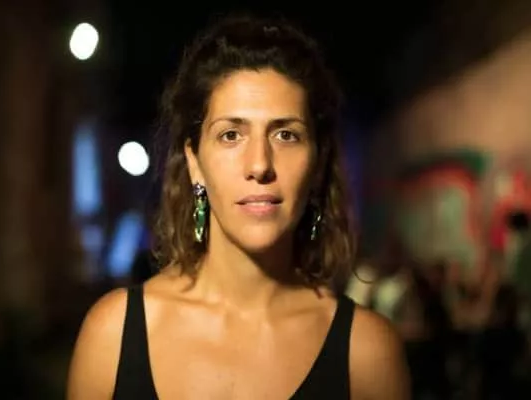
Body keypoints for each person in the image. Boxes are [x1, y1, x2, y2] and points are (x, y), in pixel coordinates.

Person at [67, 12, 411, 399]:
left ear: (317, 164)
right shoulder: (112, 336)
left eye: (286, 135)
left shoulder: (366, 354)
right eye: (231, 135)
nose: (260, 164)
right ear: (194, 163)